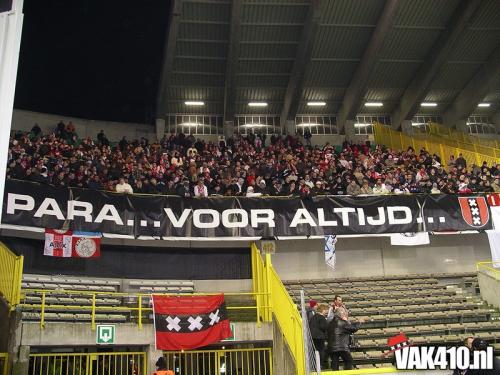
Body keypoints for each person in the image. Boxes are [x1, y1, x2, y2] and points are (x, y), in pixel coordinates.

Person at [309, 304, 329, 369]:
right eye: (326, 311)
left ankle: (315, 366)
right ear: (323, 310)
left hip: (312, 338)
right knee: (321, 352)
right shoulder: (322, 318)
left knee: (315, 353)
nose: (327, 312)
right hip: (320, 338)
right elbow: (324, 327)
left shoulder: (313, 317)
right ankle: (320, 366)